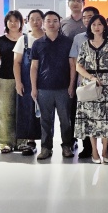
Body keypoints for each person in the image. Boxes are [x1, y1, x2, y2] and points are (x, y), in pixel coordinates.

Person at [30, 11, 76, 160]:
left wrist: (71, 85)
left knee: (65, 120)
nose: (51, 23)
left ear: (59, 23)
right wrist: (34, 88)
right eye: (48, 21)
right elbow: (34, 67)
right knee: (45, 121)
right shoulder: (37, 43)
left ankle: (67, 146)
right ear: (44, 23)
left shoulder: (67, 42)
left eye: (55, 21)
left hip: (63, 88)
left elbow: (72, 65)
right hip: (44, 89)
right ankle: (46, 148)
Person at [74, 15, 108, 164]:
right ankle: (94, 151)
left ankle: (105, 150)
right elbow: (78, 66)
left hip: (107, 85)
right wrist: (91, 77)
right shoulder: (85, 45)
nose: (97, 27)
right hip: (89, 85)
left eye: (100, 24)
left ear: (104, 27)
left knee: (106, 120)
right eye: (94, 24)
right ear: (90, 27)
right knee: (90, 120)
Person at [0, 10, 24, 153]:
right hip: (4, 79)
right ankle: (5, 143)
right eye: (10, 21)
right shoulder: (0, 41)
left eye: (16, 21)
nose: (13, 23)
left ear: (21, 23)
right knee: (5, 112)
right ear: (6, 23)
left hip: (23, 80)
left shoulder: (25, 39)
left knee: (22, 111)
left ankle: (22, 142)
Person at [68, 6, 99, 159]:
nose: (87, 20)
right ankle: (87, 148)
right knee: (85, 116)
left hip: (104, 81)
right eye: (85, 17)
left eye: (90, 17)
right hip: (84, 82)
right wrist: (72, 83)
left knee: (104, 114)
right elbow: (73, 61)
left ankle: (107, 147)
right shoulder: (79, 38)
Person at [13, 9, 43, 156]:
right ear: (27, 21)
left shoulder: (49, 37)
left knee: (45, 112)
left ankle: (47, 142)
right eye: (32, 19)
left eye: (38, 19)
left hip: (45, 81)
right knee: (27, 111)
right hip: (26, 81)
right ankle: (30, 142)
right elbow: (17, 63)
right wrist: (18, 82)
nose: (35, 22)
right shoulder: (23, 39)